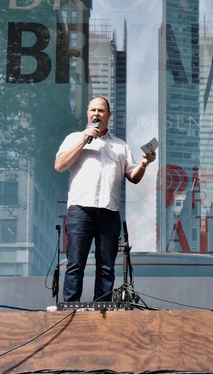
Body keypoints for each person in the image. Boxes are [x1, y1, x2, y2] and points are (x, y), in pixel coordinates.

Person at [55, 96, 156, 302]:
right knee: (75, 263)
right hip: (81, 211)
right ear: (87, 114)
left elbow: (133, 177)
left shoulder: (120, 146)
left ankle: (104, 312)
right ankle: (69, 310)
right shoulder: (74, 138)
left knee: (106, 267)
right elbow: (59, 165)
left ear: (108, 115)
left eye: (101, 111)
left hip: (109, 212)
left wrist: (144, 163)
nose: (96, 114)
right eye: (93, 110)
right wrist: (84, 139)